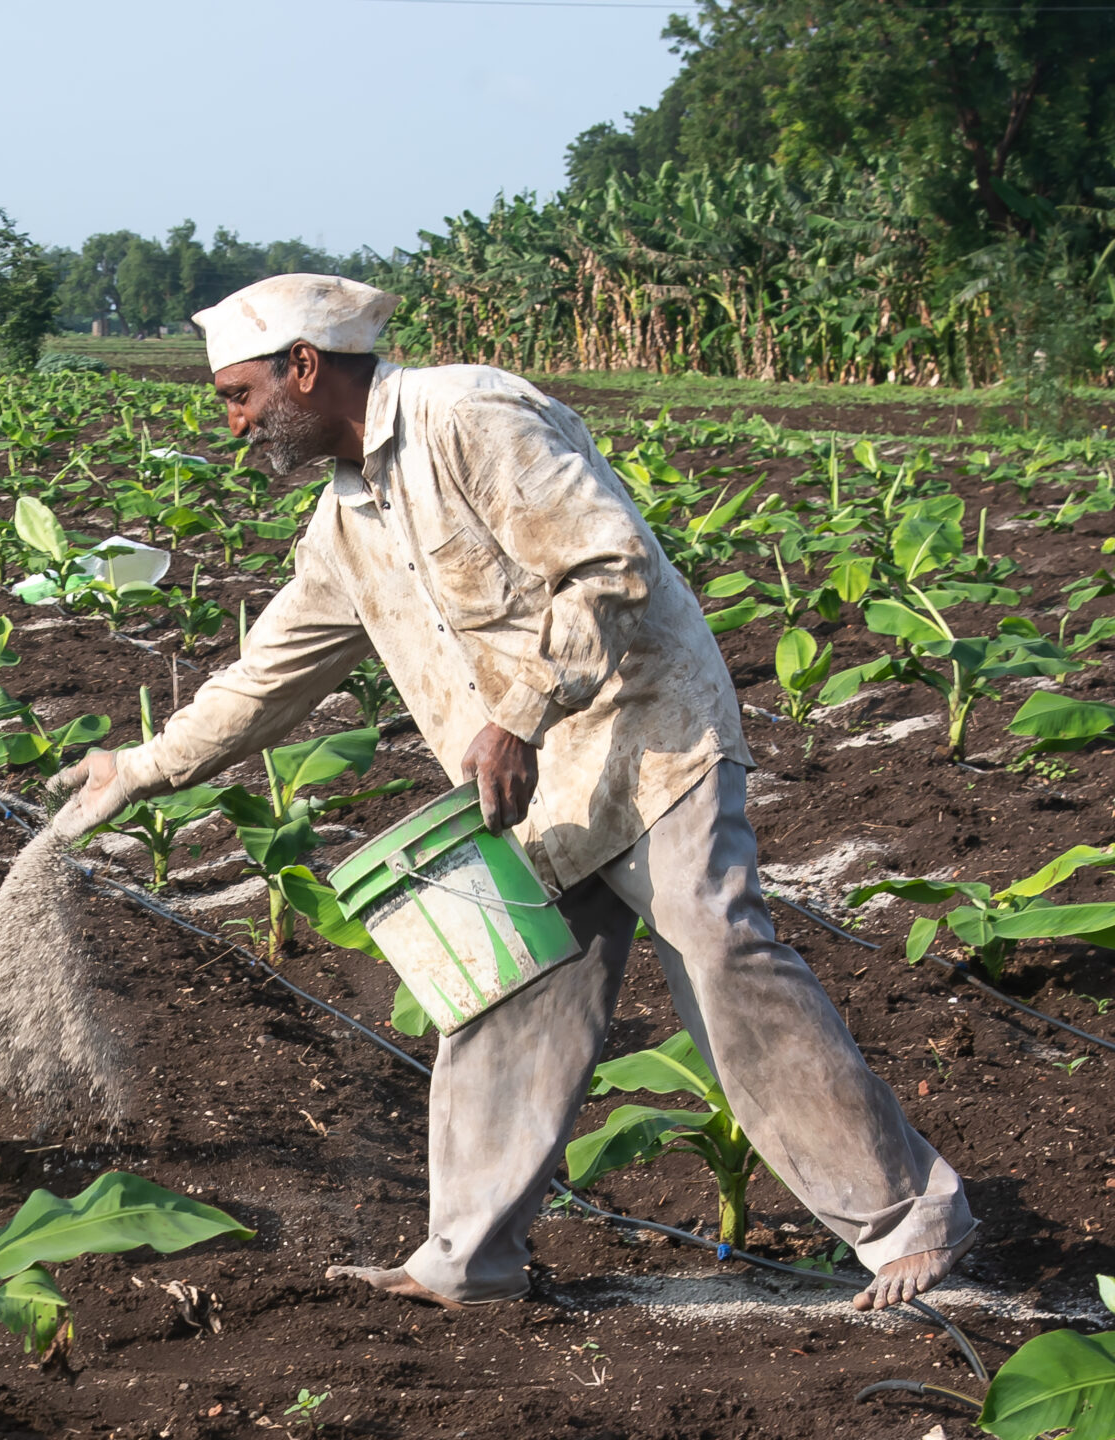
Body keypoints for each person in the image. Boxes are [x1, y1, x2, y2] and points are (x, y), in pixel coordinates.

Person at [49, 273, 974, 1313]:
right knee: (501, 992)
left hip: (644, 732)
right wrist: (137, 770)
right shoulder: (342, 522)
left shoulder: (467, 414)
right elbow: (266, 676)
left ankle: (911, 1220)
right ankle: (468, 1259)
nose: (232, 424)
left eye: (238, 395)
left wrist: (523, 711)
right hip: (524, 777)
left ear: (303, 368)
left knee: (719, 946)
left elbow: (608, 566)